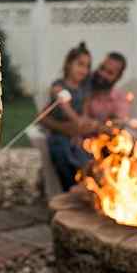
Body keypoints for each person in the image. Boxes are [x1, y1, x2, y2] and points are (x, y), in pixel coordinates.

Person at [40, 42, 92, 191]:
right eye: (80, 64)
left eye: (87, 66)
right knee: (63, 156)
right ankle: (69, 191)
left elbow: (84, 113)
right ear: (69, 64)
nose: (84, 69)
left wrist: (80, 131)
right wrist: (78, 123)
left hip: (75, 135)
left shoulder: (83, 91)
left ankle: (83, 189)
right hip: (58, 134)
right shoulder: (59, 86)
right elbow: (65, 106)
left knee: (85, 159)